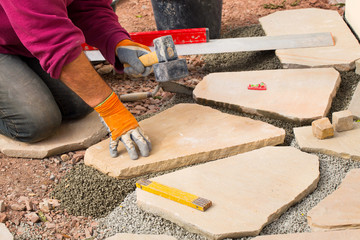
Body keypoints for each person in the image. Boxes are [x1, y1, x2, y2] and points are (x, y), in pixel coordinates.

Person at [0, 0, 152, 160]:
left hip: (23, 36)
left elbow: (89, 6)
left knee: (82, 103)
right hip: (17, 36)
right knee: (36, 122)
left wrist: (117, 42)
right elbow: (57, 46)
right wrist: (112, 111)